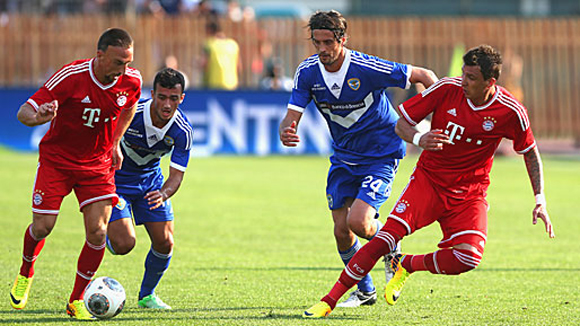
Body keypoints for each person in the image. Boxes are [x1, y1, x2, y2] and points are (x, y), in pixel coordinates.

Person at [302, 44, 555, 318]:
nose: (463, 82)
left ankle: (407, 265)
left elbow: (530, 152)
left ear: (489, 82)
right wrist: (421, 139)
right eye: (463, 74)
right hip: (428, 182)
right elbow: (402, 124)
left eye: (471, 78)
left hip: (469, 194)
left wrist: (539, 199)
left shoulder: (510, 111)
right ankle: (328, 301)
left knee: (468, 257)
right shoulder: (446, 88)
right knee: (384, 239)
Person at [279, 10, 438, 308]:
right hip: (343, 156)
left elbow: (425, 76)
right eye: (317, 42)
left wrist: (432, 117)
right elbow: (290, 117)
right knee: (341, 231)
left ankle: (393, 243)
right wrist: (286, 131)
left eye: (328, 42)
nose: (323, 49)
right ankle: (365, 291)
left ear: (342, 39)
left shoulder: (366, 67)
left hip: (381, 152)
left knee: (360, 223)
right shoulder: (308, 72)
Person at [10, 28, 142, 320]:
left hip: (97, 166)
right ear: (100, 55)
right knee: (43, 226)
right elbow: (24, 112)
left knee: (98, 232)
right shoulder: (71, 76)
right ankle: (25, 271)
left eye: (129, 62)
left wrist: (116, 142)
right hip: (57, 161)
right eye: (119, 62)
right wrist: (38, 118)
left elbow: (129, 107)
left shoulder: (131, 81)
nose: (125, 69)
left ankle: (76, 300)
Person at [106, 68, 193, 310]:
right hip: (115, 182)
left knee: (165, 242)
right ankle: (103, 230)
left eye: (173, 98)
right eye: (162, 97)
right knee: (124, 244)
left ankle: (147, 296)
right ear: (152, 94)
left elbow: (176, 175)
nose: (167, 104)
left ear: (181, 98)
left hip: (150, 184)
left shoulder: (182, 130)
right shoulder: (132, 114)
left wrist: (163, 193)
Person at [201, 18, 241, 90]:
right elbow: (239, 66)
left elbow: (204, 64)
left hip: (214, 84)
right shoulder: (233, 44)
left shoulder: (209, 44)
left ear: (209, 30)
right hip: (231, 83)